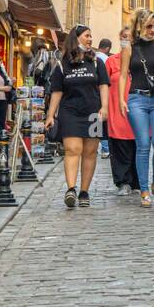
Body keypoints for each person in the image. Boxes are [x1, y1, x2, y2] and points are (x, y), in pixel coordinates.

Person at [46, 25, 108, 209]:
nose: (90, 39)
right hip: (70, 112)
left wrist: (105, 107)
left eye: (91, 36)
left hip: (93, 113)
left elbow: (104, 85)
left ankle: (84, 191)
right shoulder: (62, 63)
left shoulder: (97, 62)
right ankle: (71, 189)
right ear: (77, 37)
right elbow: (57, 91)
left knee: (90, 152)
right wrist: (50, 115)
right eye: (87, 36)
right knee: (73, 149)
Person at [120, 8, 154, 207]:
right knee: (143, 144)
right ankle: (143, 189)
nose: (153, 30)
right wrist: (121, 99)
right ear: (139, 26)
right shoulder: (129, 48)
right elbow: (123, 75)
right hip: (137, 100)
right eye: (149, 26)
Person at [104, 27, 140, 195]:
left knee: (138, 144)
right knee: (119, 145)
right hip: (117, 108)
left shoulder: (139, 61)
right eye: (124, 37)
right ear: (119, 38)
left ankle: (137, 181)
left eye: (130, 37)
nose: (126, 39)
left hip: (137, 107)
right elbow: (103, 86)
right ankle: (123, 181)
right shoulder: (111, 61)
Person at [96, 39, 113, 159]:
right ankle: (106, 148)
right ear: (107, 49)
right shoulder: (107, 60)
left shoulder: (92, 57)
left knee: (96, 121)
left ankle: (94, 147)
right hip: (103, 93)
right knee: (104, 122)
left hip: (92, 93)